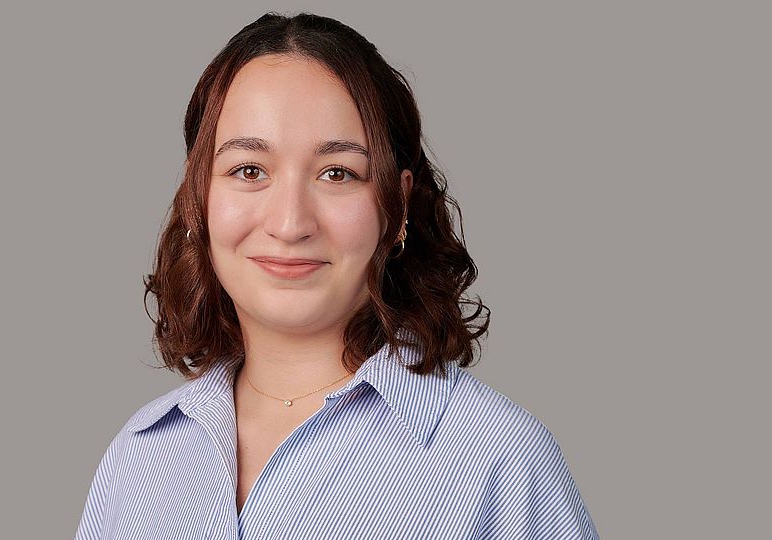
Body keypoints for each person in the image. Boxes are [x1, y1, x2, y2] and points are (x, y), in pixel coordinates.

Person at [74, 11, 599, 540]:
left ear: (397, 205)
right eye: (249, 170)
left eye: (338, 173)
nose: (289, 224)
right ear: (198, 197)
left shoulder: (501, 459)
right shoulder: (138, 458)